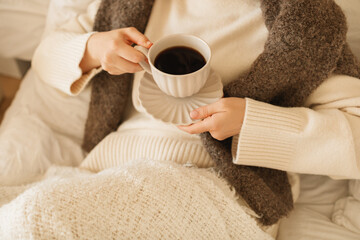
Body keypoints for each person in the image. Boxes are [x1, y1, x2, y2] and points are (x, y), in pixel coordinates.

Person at [1, 0, 360, 239]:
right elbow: (46, 56)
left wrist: (251, 123)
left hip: (220, 187)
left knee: (32, 221)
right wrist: (94, 50)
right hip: (106, 170)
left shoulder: (306, 30)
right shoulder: (131, 6)